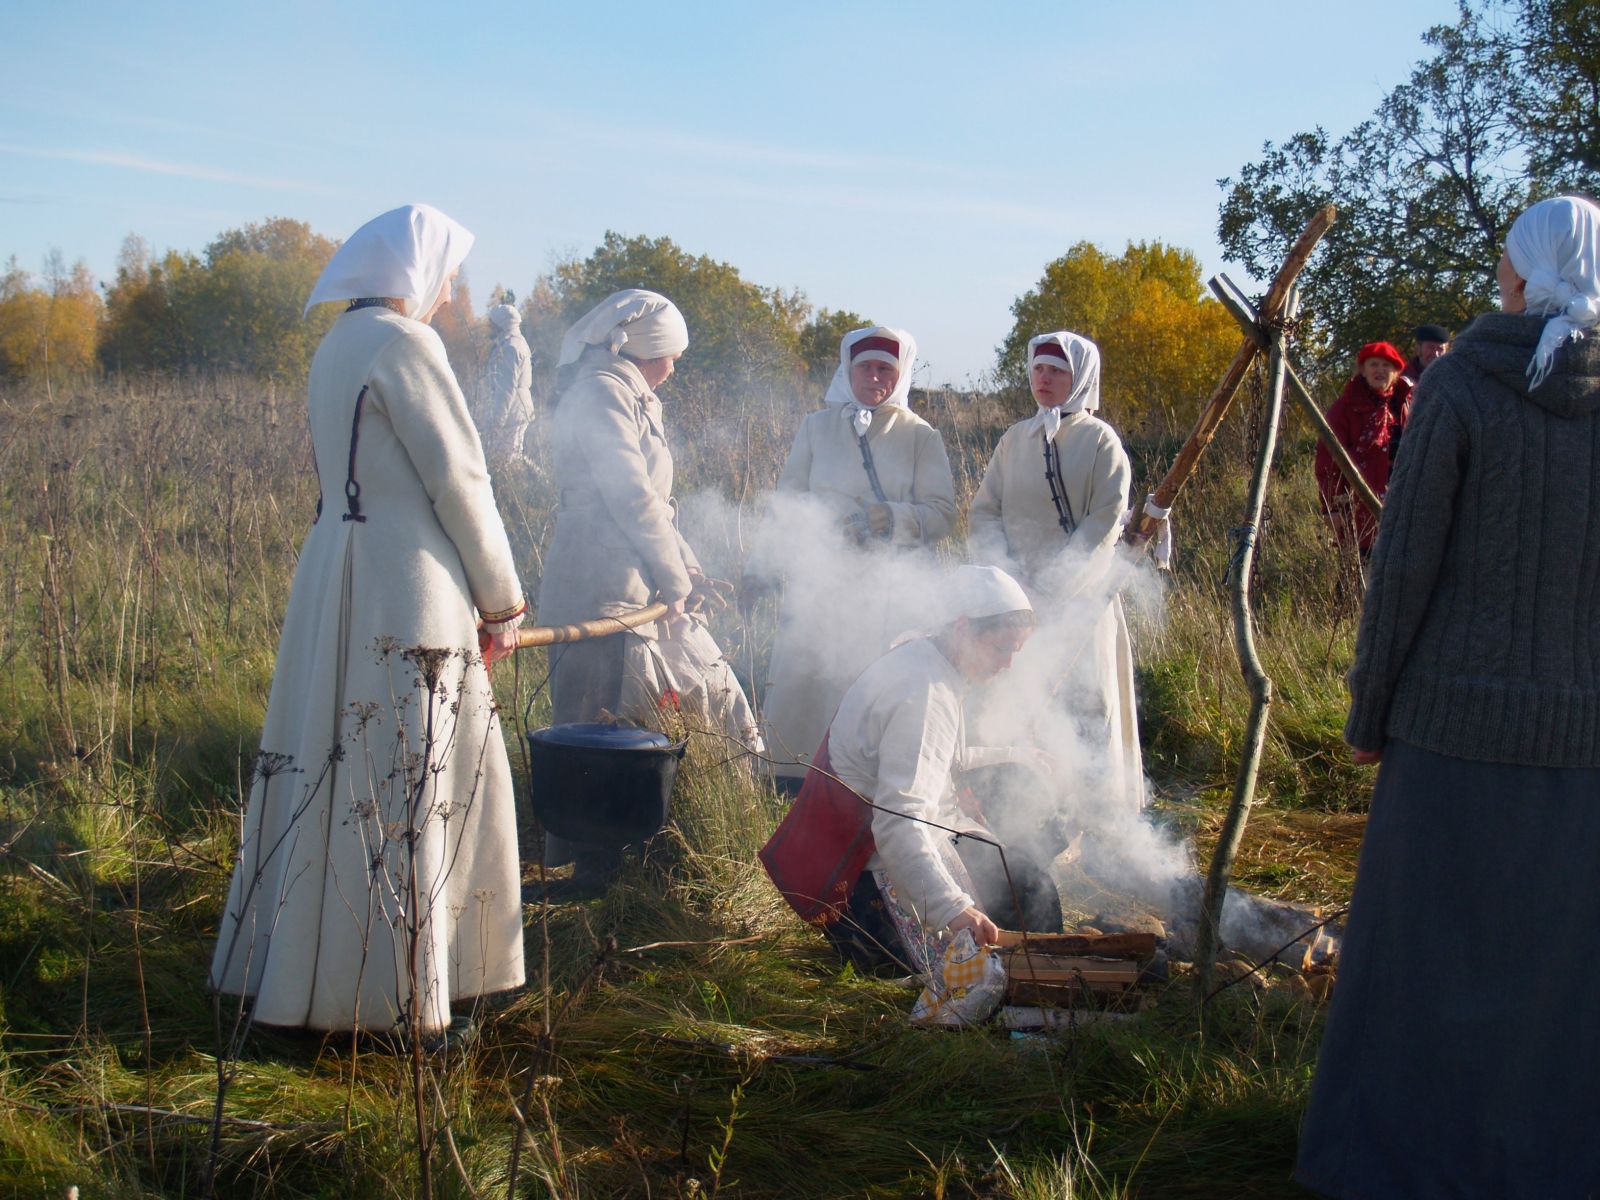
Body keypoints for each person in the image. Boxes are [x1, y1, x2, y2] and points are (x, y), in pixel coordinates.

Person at [1296, 195, 1600, 1199]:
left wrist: (1367, 711)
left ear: (1519, 274)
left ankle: (1391, 1168)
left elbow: (1404, 569)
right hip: (1579, 740)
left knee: (1421, 969)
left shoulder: (1463, 382)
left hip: (1447, 731)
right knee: (1553, 978)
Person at [210, 205, 527, 1039]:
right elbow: (460, 480)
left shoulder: (335, 346)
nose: (450, 288)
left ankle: (302, 989)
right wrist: (502, 600)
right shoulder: (405, 345)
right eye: (448, 271)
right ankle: (405, 1001)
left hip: (333, 567)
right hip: (404, 579)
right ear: (414, 272)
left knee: (330, 763)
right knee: (405, 771)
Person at [537, 289, 755, 889]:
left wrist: (686, 568)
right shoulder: (602, 391)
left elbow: (656, 506)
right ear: (648, 349)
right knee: (596, 715)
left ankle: (628, 855)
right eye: (672, 354)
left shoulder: (630, 393)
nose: (676, 366)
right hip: (599, 579)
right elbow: (629, 497)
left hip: (633, 574)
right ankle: (591, 868)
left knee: (636, 710)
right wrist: (673, 579)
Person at [761, 566, 1041, 975]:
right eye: (1002, 649)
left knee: (1023, 880)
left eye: (1016, 651)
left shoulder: (927, 658)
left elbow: (944, 757)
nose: (1009, 665)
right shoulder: (924, 694)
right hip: (862, 882)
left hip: (864, 856)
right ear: (963, 628)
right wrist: (953, 909)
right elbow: (898, 822)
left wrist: (1016, 753)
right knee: (1028, 898)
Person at [750, 325, 957, 793]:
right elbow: (785, 502)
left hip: (886, 592)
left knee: (865, 690)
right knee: (804, 687)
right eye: (866, 366)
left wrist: (892, 517)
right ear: (849, 369)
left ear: (900, 374)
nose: (875, 377)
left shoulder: (921, 437)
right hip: (818, 582)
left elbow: (943, 515)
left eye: (886, 368)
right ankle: (791, 786)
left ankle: (858, 794)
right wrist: (759, 568)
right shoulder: (815, 428)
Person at [967, 330, 1144, 815]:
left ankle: (1093, 817)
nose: (1044, 379)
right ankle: (1030, 813)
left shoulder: (1100, 441)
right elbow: (985, 511)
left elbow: (1103, 524)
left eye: (1057, 371)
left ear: (1081, 378)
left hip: (1080, 603)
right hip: (1014, 604)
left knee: (1085, 705)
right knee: (1023, 704)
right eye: (1039, 369)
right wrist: (1005, 582)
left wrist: (1055, 588)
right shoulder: (1014, 439)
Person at [1314, 341, 1413, 553]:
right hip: (1359, 509)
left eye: (1386, 366)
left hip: (1403, 506)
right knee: (1362, 574)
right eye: (1374, 365)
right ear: (1363, 370)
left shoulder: (1404, 404)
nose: (1380, 371)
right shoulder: (1345, 409)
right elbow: (1327, 462)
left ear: (1395, 372)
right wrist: (1331, 508)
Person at [484, 298, 534, 460]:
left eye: (491, 323)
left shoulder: (511, 347)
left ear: (501, 324)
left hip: (513, 413)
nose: (488, 327)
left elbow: (506, 388)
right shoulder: (513, 343)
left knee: (507, 459)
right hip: (515, 411)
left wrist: (498, 421)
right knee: (510, 456)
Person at [1401, 321, 1451, 386]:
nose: (1436, 354)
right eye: (1431, 347)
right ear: (1418, 349)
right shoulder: (1403, 379)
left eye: (1440, 349)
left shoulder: (1452, 379)